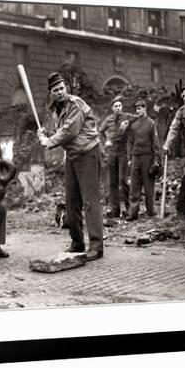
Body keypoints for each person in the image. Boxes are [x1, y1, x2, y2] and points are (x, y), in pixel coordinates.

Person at [37, 72, 104, 261]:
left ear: (66, 88)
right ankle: (77, 243)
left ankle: (97, 246)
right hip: (73, 156)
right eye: (55, 90)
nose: (59, 92)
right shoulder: (56, 108)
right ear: (51, 92)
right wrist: (46, 132)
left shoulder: (76, 104)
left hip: (88, 153)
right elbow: (59, 129)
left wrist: (49, 141)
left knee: (90, 201)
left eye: (61, 88)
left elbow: (69, 131)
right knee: (71, 201)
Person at [125, 99, 161, 221]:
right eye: (136, 108)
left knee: (148, 185)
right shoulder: (133, 124)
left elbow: (155, 142)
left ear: (145, 108)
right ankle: (133, 213)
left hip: (147, 156)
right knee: (134, 186)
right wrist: (130, 157)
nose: (138, 110)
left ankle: (150, 211)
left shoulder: (151, 123)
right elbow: (130, 141)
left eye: (140, 108)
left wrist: (156, 158)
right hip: (135, 157)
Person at [99, 96, 133, 218]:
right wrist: (105, 142)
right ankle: (115, 210)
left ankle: (130, 209)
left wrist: (128, 123)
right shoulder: (108, 119)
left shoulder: (127, 116)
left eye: (120, 105)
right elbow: (100, 132)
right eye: (116, 106)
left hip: (123, 151)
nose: (118, 108)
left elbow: (137, 119)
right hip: (112, 152)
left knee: (123, 180)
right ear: (112, 108)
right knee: (112, 182)